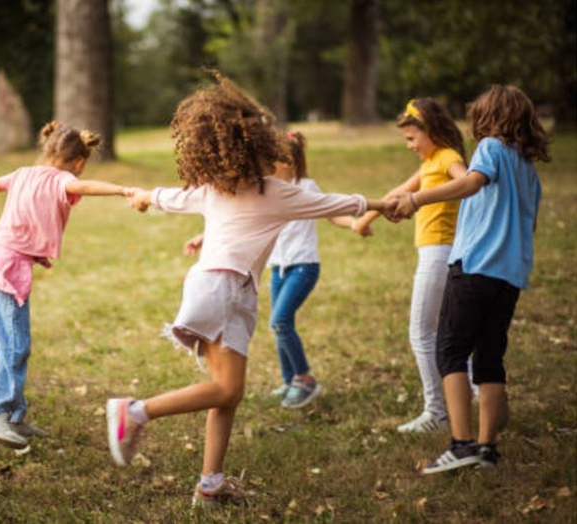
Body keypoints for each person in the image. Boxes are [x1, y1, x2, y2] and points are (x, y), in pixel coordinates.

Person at [105, 71, 396, 508]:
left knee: (228, 392)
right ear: (257, 145)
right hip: (225, 288)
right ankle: (135, 411)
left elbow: (168, 197)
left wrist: (145, 196)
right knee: (226, 390)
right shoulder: (276, 193)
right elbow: (336, 202)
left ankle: (210, 483)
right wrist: (382, 205)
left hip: (218, 287)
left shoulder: (216, 189)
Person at [390, 85, 548, 474]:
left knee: (450, 351)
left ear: (489, 118)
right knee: (490, 360)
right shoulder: (530, 173)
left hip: (476, 267)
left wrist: (417, 199)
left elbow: (471, 183)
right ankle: (487, 449)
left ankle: (461, 445)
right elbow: (531, 225)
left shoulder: (491, 148)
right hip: (509, 276)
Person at [0, 121, 135, 450]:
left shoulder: (22, 173)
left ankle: (13, 417)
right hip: (6, 267)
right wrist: (123, 190)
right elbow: (88, 187)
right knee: (15, 348)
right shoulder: (63, 179)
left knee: (6, 347)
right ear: (79, 162)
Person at [184, 130, 364, 410]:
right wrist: (203, 237)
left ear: (288, 162)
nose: (263, 166)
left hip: (303, 266)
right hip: (278, 268)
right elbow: (243, 221)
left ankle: (305, 379)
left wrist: (353, 223)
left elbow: (330, 212)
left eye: (271, 160)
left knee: (279, 321)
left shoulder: (305, 187)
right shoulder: (264, 191)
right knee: (280, 324)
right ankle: (289, 380)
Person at [354, 98, 468, 433]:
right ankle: (469, 390)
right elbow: (398, 191)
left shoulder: (448, 158)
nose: (409, 146)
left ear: (430, 131)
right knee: (444, 333)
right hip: (435, 252)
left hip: (439, 253)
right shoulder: (431, 161)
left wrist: (421, 200)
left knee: (421, 333)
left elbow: (466, 182)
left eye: (411, 138)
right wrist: (366, 219)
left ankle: (437, 411)